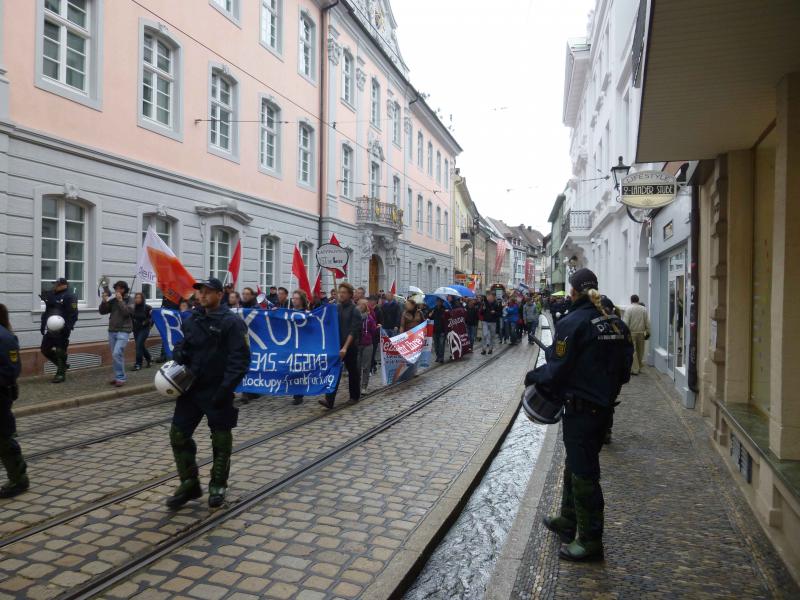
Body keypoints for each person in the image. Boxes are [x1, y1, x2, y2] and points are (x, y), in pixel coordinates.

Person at [525, 268, 633, 562]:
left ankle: (589, 539)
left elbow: (557, 371)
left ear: (572, 291)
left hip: (580, 409)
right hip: (604, 409)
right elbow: (625, 371)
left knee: (584, 473)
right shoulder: (616, 324)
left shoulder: (573, 322)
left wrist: (533, 376)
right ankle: (568, 519)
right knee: (574, 464)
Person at [167, 278, 250, 509]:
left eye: (207, 292)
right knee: (178, 435)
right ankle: (189, 483)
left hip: (218, 390)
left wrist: (226, 389)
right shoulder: (193, 318)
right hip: (191, 387)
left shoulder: (232, 323)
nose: (202, 296)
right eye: (200, 292)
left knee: (221, 440)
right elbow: (184, 346)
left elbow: (240, 360)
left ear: (220, 295)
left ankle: (218, 485)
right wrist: (179, 352)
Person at [319, 283, 361, 409]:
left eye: (344, 292)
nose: (341, 294)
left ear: (349, 294)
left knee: (352, 372)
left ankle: (354, 396)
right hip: (337, 345)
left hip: (350, 346)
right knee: (334, 371)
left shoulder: (355, 310)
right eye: (340, 292)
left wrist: (345, 347)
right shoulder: (336, 308)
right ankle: (329, 400)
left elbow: (353, 331)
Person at [0, 304, 27, 499]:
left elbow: (11, 370)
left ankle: (19, 479)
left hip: (0, 395)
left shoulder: (5, 337)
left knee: (3, 440)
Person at [39, 277, 79, 384]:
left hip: (62, 328)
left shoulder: (69, 296)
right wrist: (43, 324)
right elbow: (47, 311)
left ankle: (60, 374)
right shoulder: (52, 295)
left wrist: (68, 327)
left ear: (63, 285)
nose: (54, 286)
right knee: (44, 349)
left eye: (56, 284)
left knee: (60, 350)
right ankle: (63, 365)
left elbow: (73, 314)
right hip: (51, 327)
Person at [99, 281, 134, 387]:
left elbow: (127, 313)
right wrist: (104, 302)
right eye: (116, 289)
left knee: (116, 353)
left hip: (124, 330)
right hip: (112, 330)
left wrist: (120, 301)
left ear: (124, 290)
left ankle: (121, 378)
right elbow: (103, 311)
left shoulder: (130, 300)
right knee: (117, 355)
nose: (117, 291)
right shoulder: (113, 301)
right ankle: (118, 376)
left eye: (119, 289)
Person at [289, 289, 311, 406]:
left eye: (296, 298)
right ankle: (295, 391)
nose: (294, 300)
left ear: (301, 300)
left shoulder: (307, 313)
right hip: (292, 344)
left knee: (300, 369)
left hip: (303, 345)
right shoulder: (289, 312)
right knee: (292, 369)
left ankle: (298, 395)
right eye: (293, 298)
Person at [622, 294, 651, 375]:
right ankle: (640, 366)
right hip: (641, 332)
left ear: (631, 300)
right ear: (638, 300)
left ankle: (635, 369)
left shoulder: (628, 309)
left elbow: (625, 322)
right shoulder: (643, 309)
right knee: (640, 350)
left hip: (631, 333)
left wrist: (624, 333)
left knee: (633, 351)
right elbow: (647, 321)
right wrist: (648, 331)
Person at [357, 299, 378, 391]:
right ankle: (356, 385)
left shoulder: (370, 318)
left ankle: (364, 386)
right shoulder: (356, 317)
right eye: (359, 305)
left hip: (367, 344)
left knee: (366, 366)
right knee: (357, 366)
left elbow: (373, 331)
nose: (360, 306)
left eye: (362, 305)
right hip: (357, 344)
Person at [131, 293, 153, 371]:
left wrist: (146, 322)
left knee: (138, 345)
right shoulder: (133, 308)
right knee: (140, 346)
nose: (137, 299)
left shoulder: (148, 307)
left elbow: (151, 318)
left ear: (142, 299)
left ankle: (138, 364)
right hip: (136, 329)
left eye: (139, 298)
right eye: (136, 298)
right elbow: (131, 318)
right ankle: (149, 359)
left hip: (144, 329)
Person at [431, 298, 448, 363]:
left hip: (442, 330)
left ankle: (441, 357)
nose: (438, 303)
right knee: (436, 345)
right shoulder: (433, 309)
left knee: (441, 344)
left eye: (440, 301)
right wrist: (430, 314)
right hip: (435, 330)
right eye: (437, 301)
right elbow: (430, 317)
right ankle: (438, 356)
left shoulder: (445, 310)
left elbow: (447, 319)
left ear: (442, 302)